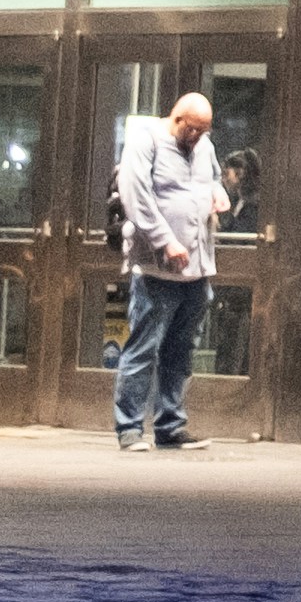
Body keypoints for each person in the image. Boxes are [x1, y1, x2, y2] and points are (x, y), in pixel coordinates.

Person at [112, 87, 227, 454]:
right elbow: (136, 196)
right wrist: (165, 240)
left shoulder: (204, 146)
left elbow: (212, 179)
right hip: (157, 269)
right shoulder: (145, 140)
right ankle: (130, 428)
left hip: (197, 268)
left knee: (181, 349)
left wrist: (218, 192)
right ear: (176, 119)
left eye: (204, 131)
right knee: (144, 347)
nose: (197, 137)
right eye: (192, 129)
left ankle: (171, 425)